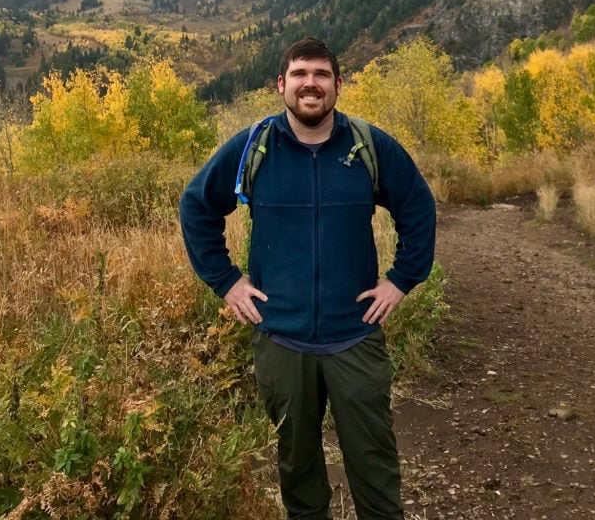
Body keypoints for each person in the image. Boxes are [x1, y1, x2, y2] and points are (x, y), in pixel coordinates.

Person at [179, 36, 437, 520]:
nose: (310, 84)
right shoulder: (254, 146)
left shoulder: (368, 146)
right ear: (281, 85)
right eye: (299, 74)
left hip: (354, 336)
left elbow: (417, 206)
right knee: (297, 465)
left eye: (320, 75)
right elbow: (196, 205)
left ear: (338, 85)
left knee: (374, 463)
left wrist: (402, 279)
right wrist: (227, 281)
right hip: (281, 337)